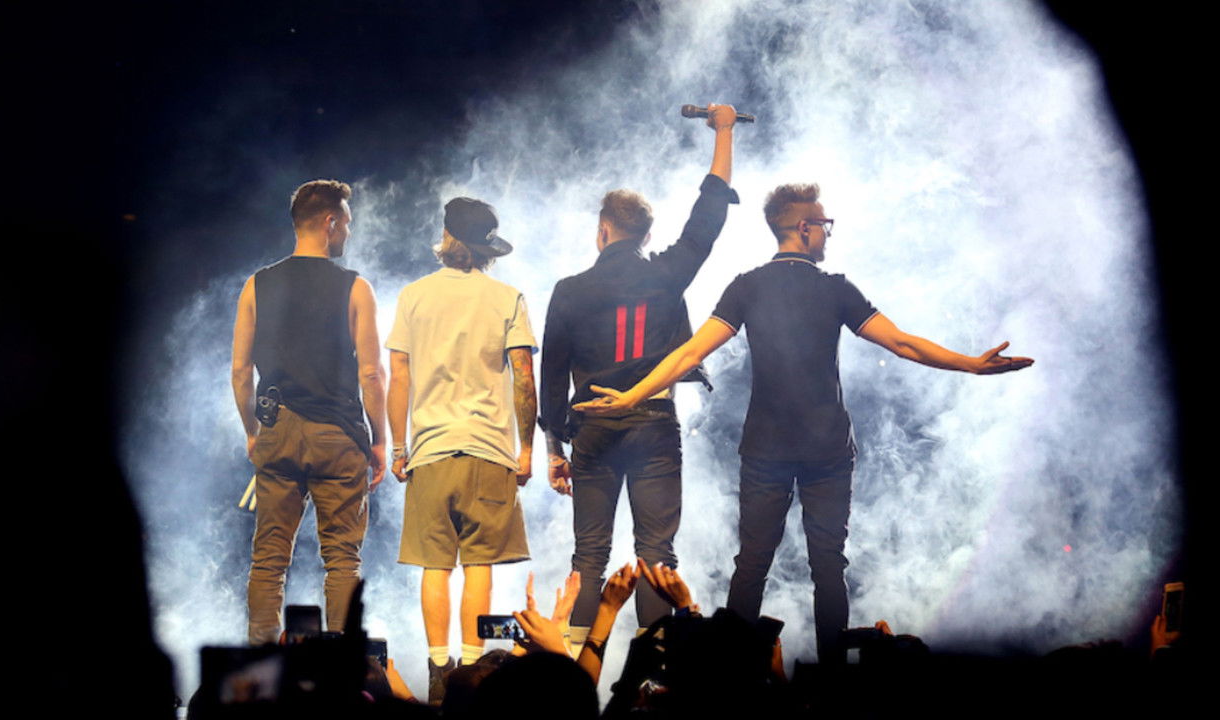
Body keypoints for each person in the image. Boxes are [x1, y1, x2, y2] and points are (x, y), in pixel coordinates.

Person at [575, 182, 1033, 663]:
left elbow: (689, 353)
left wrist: (632, 395)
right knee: (828, 568)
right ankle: (832, 684)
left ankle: (731, 677)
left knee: (752, 566)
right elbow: (902, 343)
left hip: (769, 450)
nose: (828, 233)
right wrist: (970, 364)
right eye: (825, 224)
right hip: (825, 452)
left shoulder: (748, 285)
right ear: (805, 227)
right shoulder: (834, 288)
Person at [538, 103, 739, 652]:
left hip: (592, 430)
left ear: (602, 231)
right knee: (656, 555)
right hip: (653, 425)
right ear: (646, 237)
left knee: (589, 558)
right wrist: (723, 132)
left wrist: (554, 449)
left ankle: (572, 670)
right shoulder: (667, 273)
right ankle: (655, 677)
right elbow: (708, 218)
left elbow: (551, 377)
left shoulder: (570, 290)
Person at [385, 197, 537, 703]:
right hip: (489, 449)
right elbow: (524, 376)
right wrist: (527, 449)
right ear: (487, 248)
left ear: (447, 238)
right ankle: (472, 675)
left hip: (430, 449)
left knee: (436, 566)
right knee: (478, 567)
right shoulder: (507, 298)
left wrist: (400, 447)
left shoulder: (414, 296)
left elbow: (398, 375)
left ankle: (437, 670)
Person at [231, 179, 387, 646]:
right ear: (330, 222)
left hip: (277, 428)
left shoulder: (256, 285)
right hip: (338, 436)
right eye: (347, 224)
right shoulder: (355, 288)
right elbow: (372, 374)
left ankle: (261, 663)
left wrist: (253, 431)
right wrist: (380, 440)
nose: (348, 234)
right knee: (342, 560)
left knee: (268, 560)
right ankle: (342, 668)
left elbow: (240, 371)